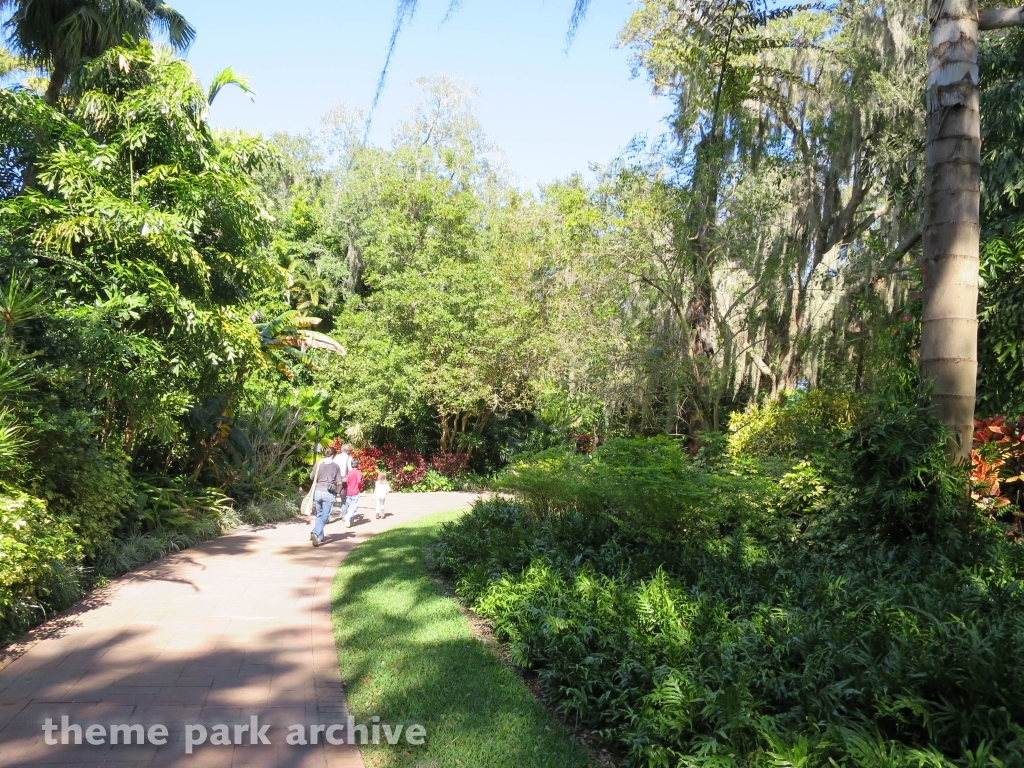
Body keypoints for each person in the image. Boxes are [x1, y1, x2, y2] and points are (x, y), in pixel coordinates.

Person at [309, 446, 343, 547]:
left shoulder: (318, 464)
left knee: (319, 515)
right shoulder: (335, 466)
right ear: (333, 455)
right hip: (328, 493)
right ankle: (315, 532)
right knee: (325, 515)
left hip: (318, 492)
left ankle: (320, 537)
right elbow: (339, 482)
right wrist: (338, 492)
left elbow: (311, 477)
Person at [332, 443, 353, 518]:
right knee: (344, 498)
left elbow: (332, 467)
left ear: (342, 449)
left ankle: (328, 516)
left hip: (335, 479)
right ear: (348, 450)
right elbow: (350, 470)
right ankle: (344, 514)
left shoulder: (336, 457)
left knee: (332, 497)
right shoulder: (349, 458)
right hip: (344, 480)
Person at [343, 458, 363, 528]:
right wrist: (360, 487)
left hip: (349, 491)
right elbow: (359, 481)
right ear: (358, 465)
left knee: (350, 506)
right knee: (354, 506)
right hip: (355, 491)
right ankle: (347, 517)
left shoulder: (349, 472)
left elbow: (347, 481)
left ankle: (351, 522)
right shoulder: (358, 472)